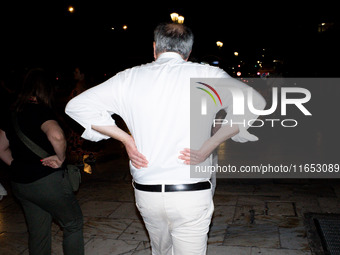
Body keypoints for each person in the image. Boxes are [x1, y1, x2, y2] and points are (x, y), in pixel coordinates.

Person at [65, 23, 265, 255]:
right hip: (191, 192)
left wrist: (125, 140)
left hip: (147, 192)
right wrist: (209, 146)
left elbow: (76, 107)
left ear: (154, 48)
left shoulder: (128, 78)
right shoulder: (208, 75)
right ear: (188, 52)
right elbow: (255, 102)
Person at [0, 68, 84, 255]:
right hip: (46, 182)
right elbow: (57, 136)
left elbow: (0, 148)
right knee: (73, 224)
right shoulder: (41, 111)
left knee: (38, 232)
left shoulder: (12, 114)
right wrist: (61, 158)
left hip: (20, 184)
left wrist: (15, 165)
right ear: (47, 89)